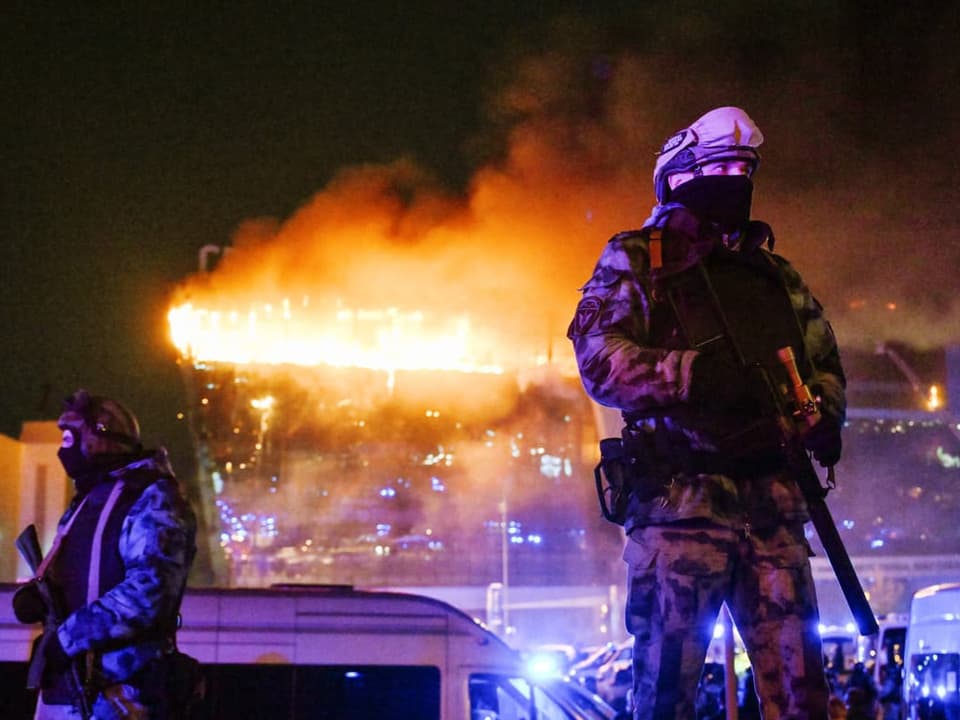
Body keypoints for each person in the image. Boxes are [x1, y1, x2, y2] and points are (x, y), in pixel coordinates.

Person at [567, 107, 846, 719]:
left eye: (742, 171)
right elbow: (598, 360)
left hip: (773, 512)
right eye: (716, 169)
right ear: (678, 177)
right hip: (680, 512)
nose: (732, 183)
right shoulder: (637, 260)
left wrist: (825, 415)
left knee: (804, 698)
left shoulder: (774, 275)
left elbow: (822, 358)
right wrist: (692, 374)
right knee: (665, 695)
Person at [12, 390, 199, 719]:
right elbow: (76, 573)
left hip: (124, 690)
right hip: (70, 687)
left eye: (72, 436)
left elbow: (149, 592)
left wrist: (67, 639)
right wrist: (39, 594)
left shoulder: (153, 497)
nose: (63, 448)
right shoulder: (90, 497)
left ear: (102, 436)